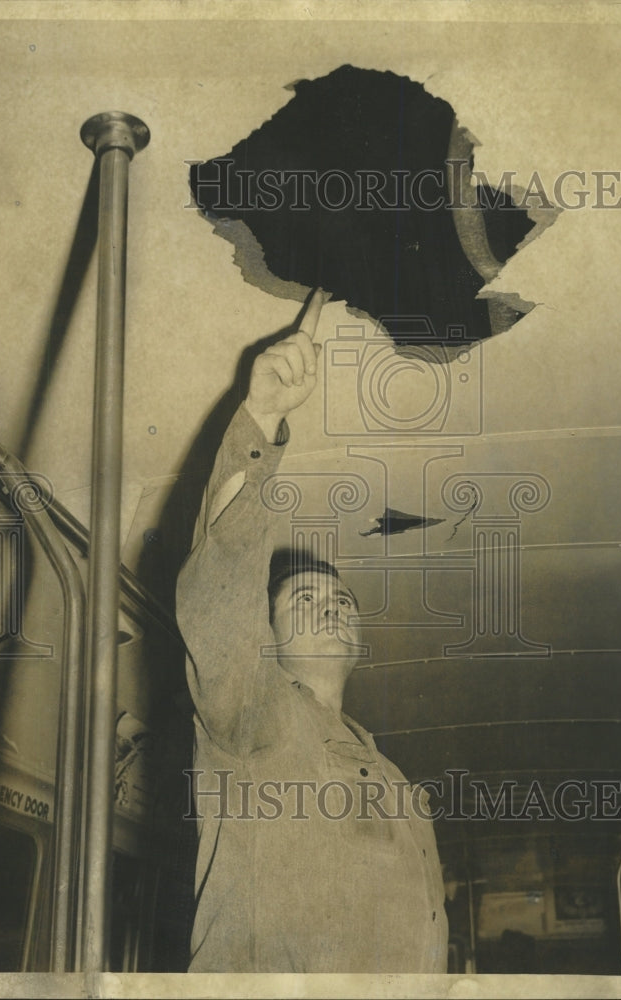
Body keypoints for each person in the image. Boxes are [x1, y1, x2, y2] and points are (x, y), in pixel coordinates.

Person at [176, 290, 448, 972]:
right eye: (303, 595)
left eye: (342, 598)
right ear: (261, 637)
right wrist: (263, 415)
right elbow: (219, 588)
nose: (332, 604)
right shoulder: (251, 713)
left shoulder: (395, 781)